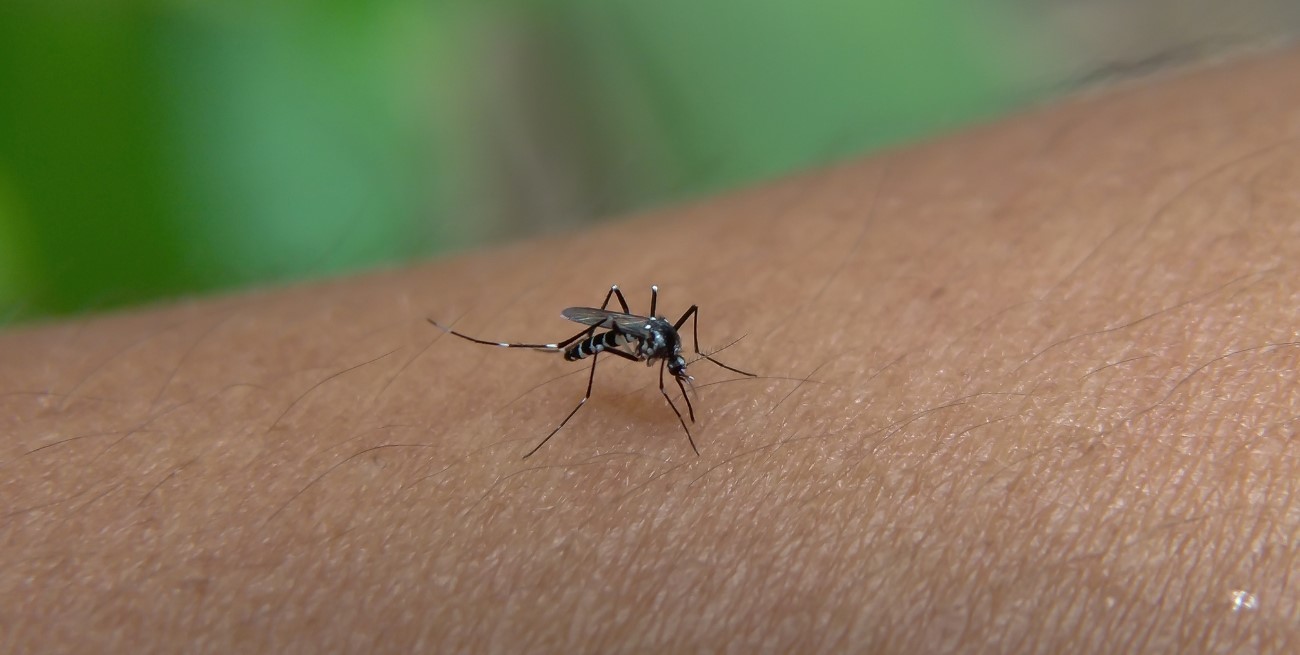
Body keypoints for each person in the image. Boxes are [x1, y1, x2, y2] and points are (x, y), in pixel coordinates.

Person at [5, 47, 1298, 652]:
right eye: (671, 363)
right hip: (595, 338)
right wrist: (619, 368)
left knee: (656, 317)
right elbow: (628, 332)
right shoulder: (625, 343)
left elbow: (669, 341)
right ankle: (550, 371)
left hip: (623, 326)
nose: (671, 365)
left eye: (675, 362)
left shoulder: (667, 342)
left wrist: (691, 368)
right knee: (608, 331)